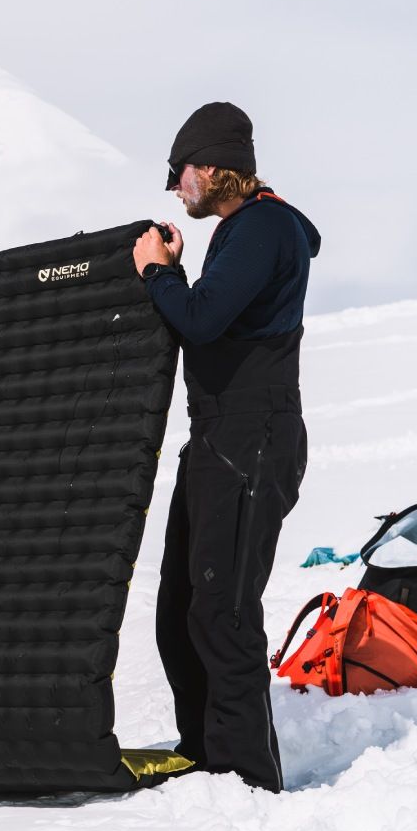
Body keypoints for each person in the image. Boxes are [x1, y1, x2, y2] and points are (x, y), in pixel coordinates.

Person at [131, 101, 321, 793]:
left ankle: (246, 777)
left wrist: (158, 273)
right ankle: (204, 752)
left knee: (224, 608)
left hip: (252, 436)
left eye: (180, 172)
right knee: (181, 604)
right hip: (218, 437)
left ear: (212, 168)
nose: (175, 187)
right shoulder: (244, 230)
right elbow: (212, 312)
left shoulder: (265, 226)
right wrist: (175, 273)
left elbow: (203, 320)